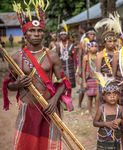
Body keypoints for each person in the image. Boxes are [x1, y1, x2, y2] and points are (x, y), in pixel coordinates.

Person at [2, 1, 73, 149]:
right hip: (27, 108)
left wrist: (54, 100)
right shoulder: (15, 57)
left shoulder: (52, 56)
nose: (36, 34)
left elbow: (63, 82)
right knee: (25, 146)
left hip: (49, 107)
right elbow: (8, 84)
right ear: (25, 33)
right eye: (32, 30)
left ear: (43, 32)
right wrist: (18, 84)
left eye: (39, 30)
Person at [93, 80, 123, 150]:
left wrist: (120, 120)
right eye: (109, 94)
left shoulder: (120, 108)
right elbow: (95, 123)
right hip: (103, 140)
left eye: (115, 94)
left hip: (116, 140)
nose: (112, 97)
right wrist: (106, 124)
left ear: (118, 96)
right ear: (104, 97)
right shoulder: (101, 109)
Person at [78, 27, 97, 108]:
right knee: (83, 86)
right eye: (90, 34)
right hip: (85, 66)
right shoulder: (83, 43)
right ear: (87, 34)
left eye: (93, 34)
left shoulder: (96, 43)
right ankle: (79, 103)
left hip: (93, 67)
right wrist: (79, 68)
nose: (92, 35)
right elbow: (80, 55)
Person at [82, 41, 98, 114]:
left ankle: (97, 113)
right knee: (90, 97)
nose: (94, 48)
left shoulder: (99, 56)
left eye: (95, 46)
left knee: (98, 97)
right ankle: (90, 112)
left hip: (97, 80)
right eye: (92, 46)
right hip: (89, 79)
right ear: (88, 48)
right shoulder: (86, 57)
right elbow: (83, 70)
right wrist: (84, 82)